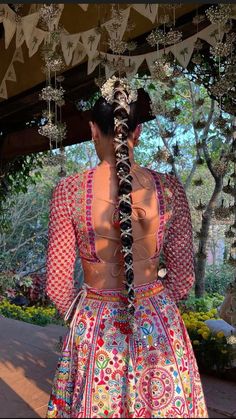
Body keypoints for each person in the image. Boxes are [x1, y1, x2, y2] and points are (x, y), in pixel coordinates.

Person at [46, 77, 208, 418]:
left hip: (96, 329)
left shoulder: (68, 192)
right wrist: (154, 306)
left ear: (93, 130)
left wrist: (86, 320)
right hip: (158, 328)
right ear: (137, 133)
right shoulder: (168, 189)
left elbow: (58, 285)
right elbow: (181, 279)